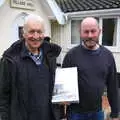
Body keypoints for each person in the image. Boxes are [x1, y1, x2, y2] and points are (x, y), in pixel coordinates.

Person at [0, 14, 61, 120]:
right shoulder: (10, 61)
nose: (36, 36)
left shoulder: (50, 56)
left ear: (44, 33)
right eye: (32, 31)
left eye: (39, 32)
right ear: (24, 33)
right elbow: (3, 96)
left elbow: (54, 89)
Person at [62, 17, 119, 120]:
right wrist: (62, 114)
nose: (90, 35)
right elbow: (62, 87)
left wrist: (115, 113)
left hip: (97, 112)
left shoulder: (108, 56)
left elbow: (113, 86)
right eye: (86, 32)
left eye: (93, 31)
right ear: (80, 32)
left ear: (99, 31)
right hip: (75, 113)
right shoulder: (71, 56)